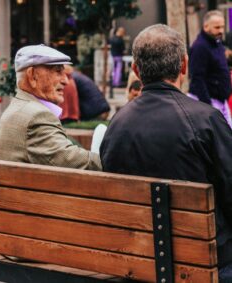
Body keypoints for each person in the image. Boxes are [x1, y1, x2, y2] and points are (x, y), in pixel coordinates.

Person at [99, 24, 232, 281]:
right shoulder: (206, 119)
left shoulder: (117, 123)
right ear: (184, 65)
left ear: (135, 69)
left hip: (137, 258)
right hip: (206, 260)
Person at [0, 44, 101, 171]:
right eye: (58, 71)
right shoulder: (36, 116)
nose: (65, 81)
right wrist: (114, 160)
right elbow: (72, 160)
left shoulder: (20, 105)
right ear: (32, 76)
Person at [189, 10, 232, 128]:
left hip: (221, 101)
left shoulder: (216, 42)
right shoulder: (200, 47)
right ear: (206, 26)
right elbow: (197, 78)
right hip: (209, 102)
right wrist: (208, 105)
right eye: (217, 27)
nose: (221, 31)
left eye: (222, 27)